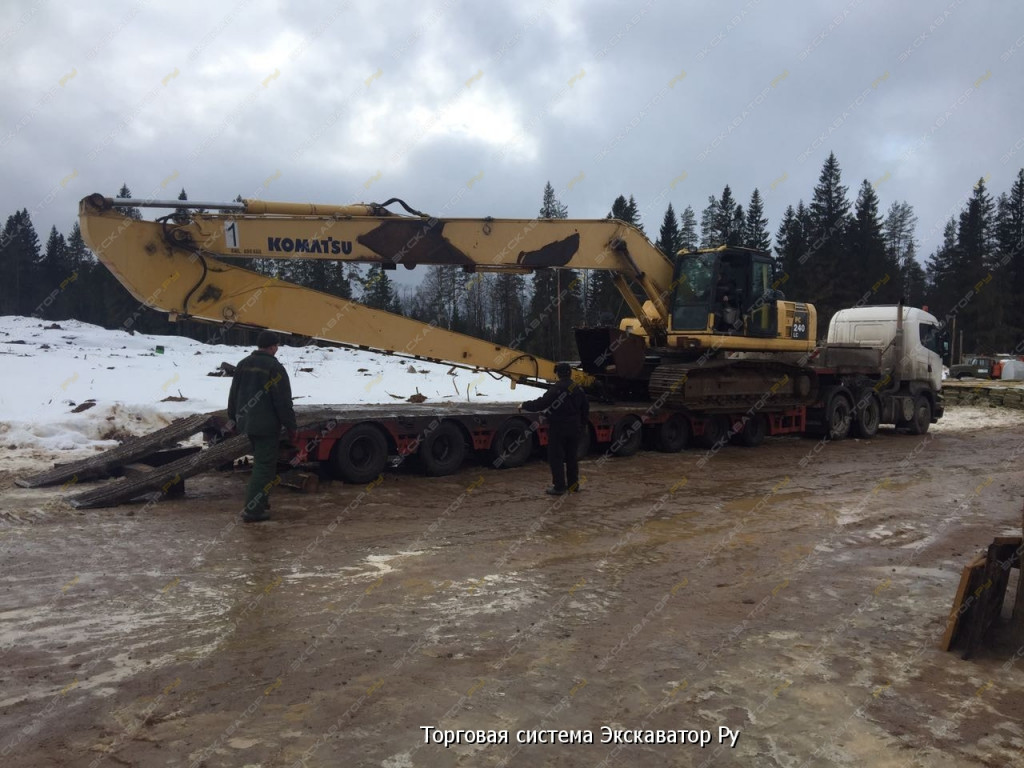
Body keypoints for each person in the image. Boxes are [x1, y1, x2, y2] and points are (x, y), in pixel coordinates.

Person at [227, 330, 297, 522]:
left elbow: (233, 395)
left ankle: (261, 502)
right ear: (273, 346)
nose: (277, 349)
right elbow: (283, 402)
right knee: (264, 467)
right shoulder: (274, 368)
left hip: (247, 424)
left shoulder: (242, 364)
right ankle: (254, 510)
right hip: (266, 427)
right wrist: (291, 427)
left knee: (261, 463)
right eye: (277, 346)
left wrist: (232, 419)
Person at [520, 362, 590, 495]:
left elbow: (541, 403)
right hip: (574, 428)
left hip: (558, 428)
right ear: (570, 373)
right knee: (572, 457)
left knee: (556, 457)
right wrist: (582, 425)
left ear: (558, 374)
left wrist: (524, 404)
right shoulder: (578, 389)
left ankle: (559, 487)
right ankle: (573, 486)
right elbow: (585, 409)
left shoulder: (556, 389)